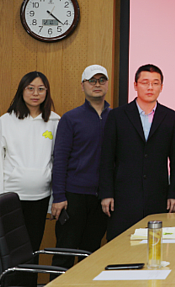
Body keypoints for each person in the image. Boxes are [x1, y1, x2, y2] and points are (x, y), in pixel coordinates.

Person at [0, 71, 60, 286]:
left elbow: (58, 162)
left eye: (41, 89)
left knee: (31, 252)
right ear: (22, 91)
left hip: (40, 199)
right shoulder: (6, 121)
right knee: (8, 253)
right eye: (30, 88)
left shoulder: (55, 121)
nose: (35, 93)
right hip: (10, 200)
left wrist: (53, 201)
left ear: (47, 92)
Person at [99, 64, 175, 239]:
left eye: (155, 83)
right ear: (135, 85)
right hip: (123, 196)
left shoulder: (171, 117)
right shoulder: (117, 116)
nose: (150, 87)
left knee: (156, 244)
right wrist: (106, 193)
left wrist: (174, 193)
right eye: (145, 82)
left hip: (157, 196)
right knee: (121, 243)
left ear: (161, 87)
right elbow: (107, 157)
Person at [50, 65, 111, 271]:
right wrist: (59, 196)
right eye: (92, 81)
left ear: (107, 84)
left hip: (102, 199)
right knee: (64, 254)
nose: (97, 84)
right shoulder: (71, 118)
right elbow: (60, 159)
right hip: (73, 196)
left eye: (101, 80)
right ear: (82, 85)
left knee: (91, 255)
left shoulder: (116, 117)